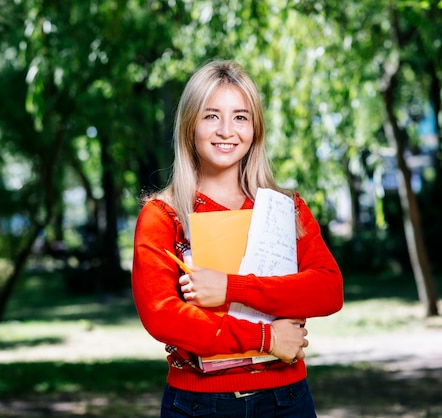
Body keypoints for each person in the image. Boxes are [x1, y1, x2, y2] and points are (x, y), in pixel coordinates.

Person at [131, 59, 343, 417]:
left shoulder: (287, 209)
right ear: (189, 126)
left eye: (240, 117)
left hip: (286, 400)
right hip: (198, 404)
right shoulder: (162, 216)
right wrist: (266, 339)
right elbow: (163, 317)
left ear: (255, 129)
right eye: (211, 116)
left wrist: (231, 288)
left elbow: (327, 289)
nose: (226, 130)